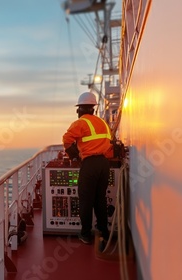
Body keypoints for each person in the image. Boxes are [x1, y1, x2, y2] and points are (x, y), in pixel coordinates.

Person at [62, 91, 112, 252]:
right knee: (100, 199)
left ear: (80, 109)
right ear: (93, 109)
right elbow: (109, 146)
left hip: (89, 165)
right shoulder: (103, 123)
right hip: (104, 165)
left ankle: (85, 235)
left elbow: (66, 139)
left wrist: (74, 156)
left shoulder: (81, 123)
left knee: (85, 200)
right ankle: (103, 231)